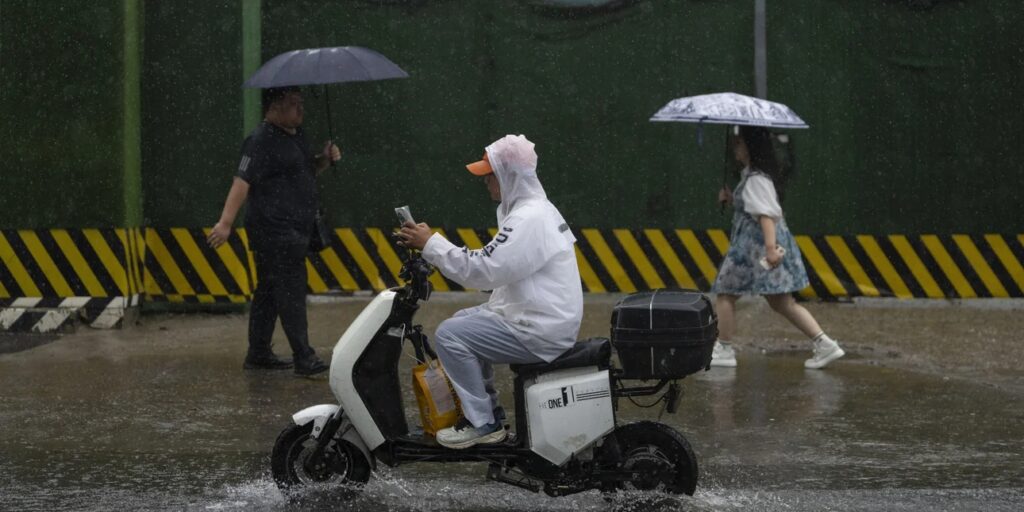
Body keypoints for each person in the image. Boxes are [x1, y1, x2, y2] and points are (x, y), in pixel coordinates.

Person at [398, 134, 583, 449]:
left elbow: (483, 271)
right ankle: (488, 412)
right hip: (538, 315)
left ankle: (483, 423)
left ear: (509, 175)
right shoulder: (528, 209)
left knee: (450, 335)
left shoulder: (528, 218)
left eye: (489, 174)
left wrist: (431, 244)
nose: (485, 182)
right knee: (462, 323)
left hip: (540, 327)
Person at [206, 86, 340, 376]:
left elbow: (304, 171)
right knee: (291, 291)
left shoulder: (297, 136)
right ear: (275, 106)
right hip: (275, 230)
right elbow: (242, 181)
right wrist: (225, 223)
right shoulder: (259, 140)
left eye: (301, 103)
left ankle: (258, 353)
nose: (300, 109)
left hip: (295, 228)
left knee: (267, 291)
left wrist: (326, 159)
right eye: (294, 104)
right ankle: (304, 357)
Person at [710, 126, 845, 370]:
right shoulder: (754, 176)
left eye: (739, 144)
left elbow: (765, 216)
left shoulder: (756, 180)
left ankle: (724, 349)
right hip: (757, 249)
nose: (735, 149)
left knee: (725, 293)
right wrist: (732, 199)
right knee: (781, 302)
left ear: (750, 147)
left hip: (754, 251)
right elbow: (755, 210)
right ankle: (825, 344)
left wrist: (771, 249)